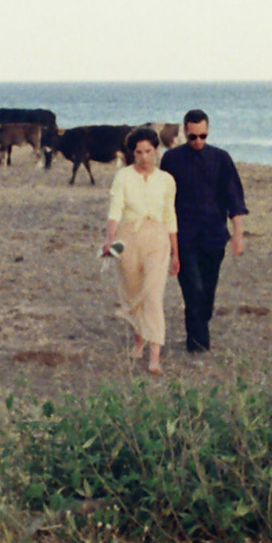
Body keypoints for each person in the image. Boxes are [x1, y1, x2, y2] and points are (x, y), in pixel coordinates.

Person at [159, 109, 248, 355]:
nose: (198, 141)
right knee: (193, 291)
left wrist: (238, 234)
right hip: (184, 237)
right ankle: (198, 347)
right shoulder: (171, 160)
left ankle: (199, 329)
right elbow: (163, 202)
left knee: (207, 294)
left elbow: (234, 198)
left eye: (203, 136)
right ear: (184, 132)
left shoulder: (221, 159)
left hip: (214, 237)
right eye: (193, 136)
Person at [100, 127, 178, 376]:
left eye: (149, 151)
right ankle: (139, 342)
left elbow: (170, 217)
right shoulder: (123, 176)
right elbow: (115, 210)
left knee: (153, 295)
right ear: (132, 153)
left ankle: (155, 356)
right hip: (128, 237)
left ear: (156, 151)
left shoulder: (166, 180)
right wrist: (110, 239)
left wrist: (176, 253)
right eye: (139, 152)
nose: (144, 157)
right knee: (132, 291)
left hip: (157, 237)